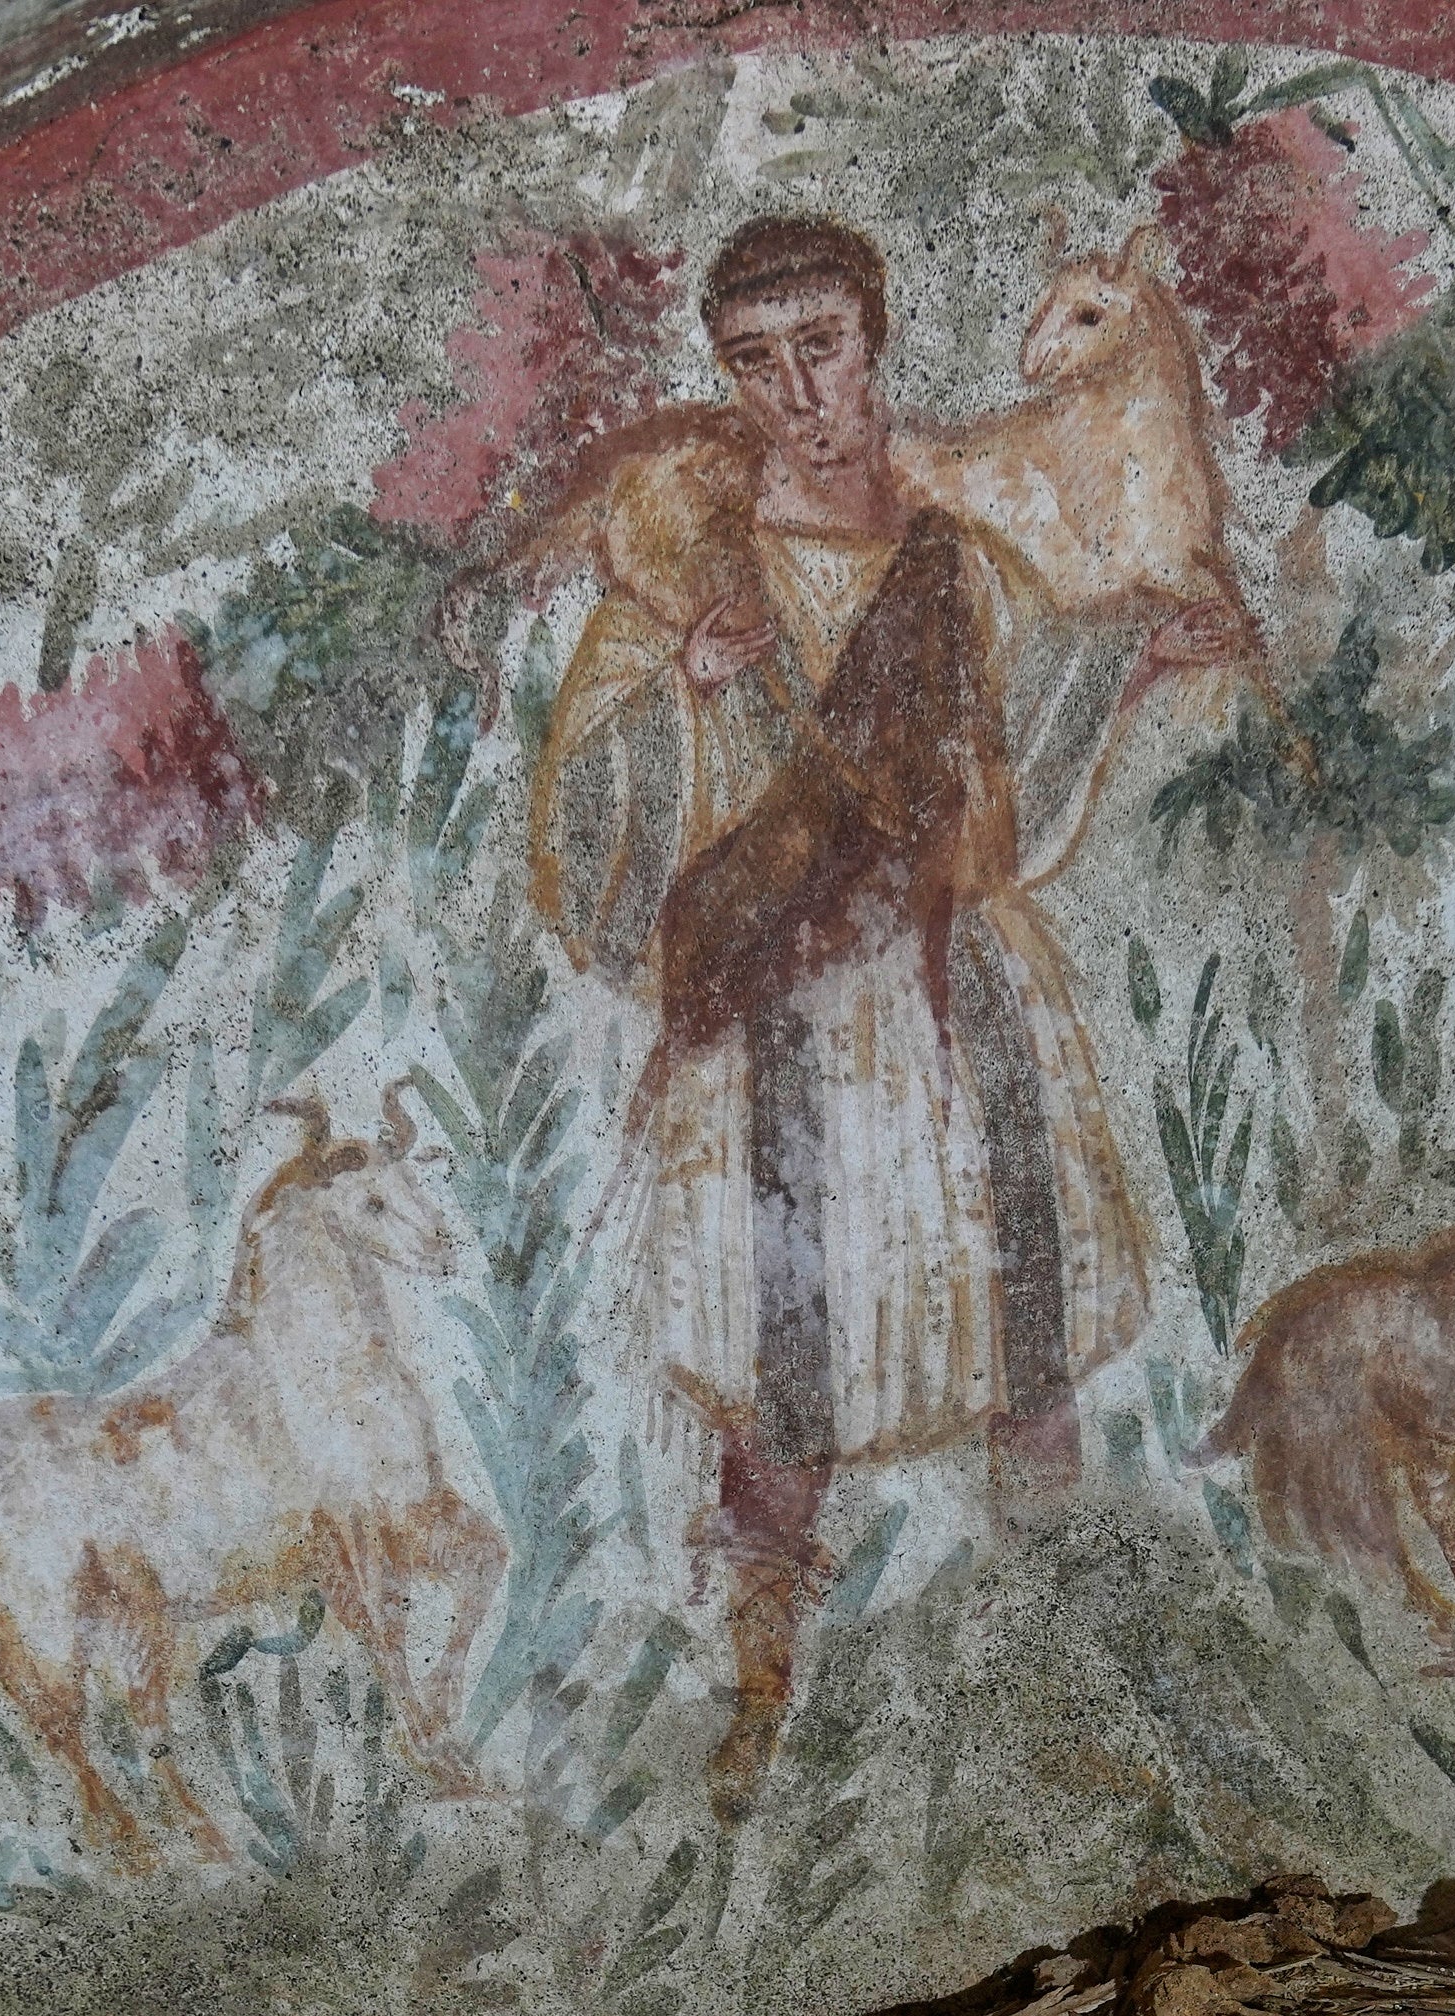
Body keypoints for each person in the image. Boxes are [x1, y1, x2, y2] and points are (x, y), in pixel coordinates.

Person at [529, 214, 1256, 1808]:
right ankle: (763, 1696)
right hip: (784, 1017)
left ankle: (1061, 1666)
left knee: (1029, 1328)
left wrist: (1131, 667)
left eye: (823, 348)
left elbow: (1011, 788)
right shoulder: (694, 579)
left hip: (954, 993)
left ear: (875, 341)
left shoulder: (957, 555)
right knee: (784, 1365)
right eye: (756, 362)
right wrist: (687, 695)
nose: (797, 393)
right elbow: (591, 827)